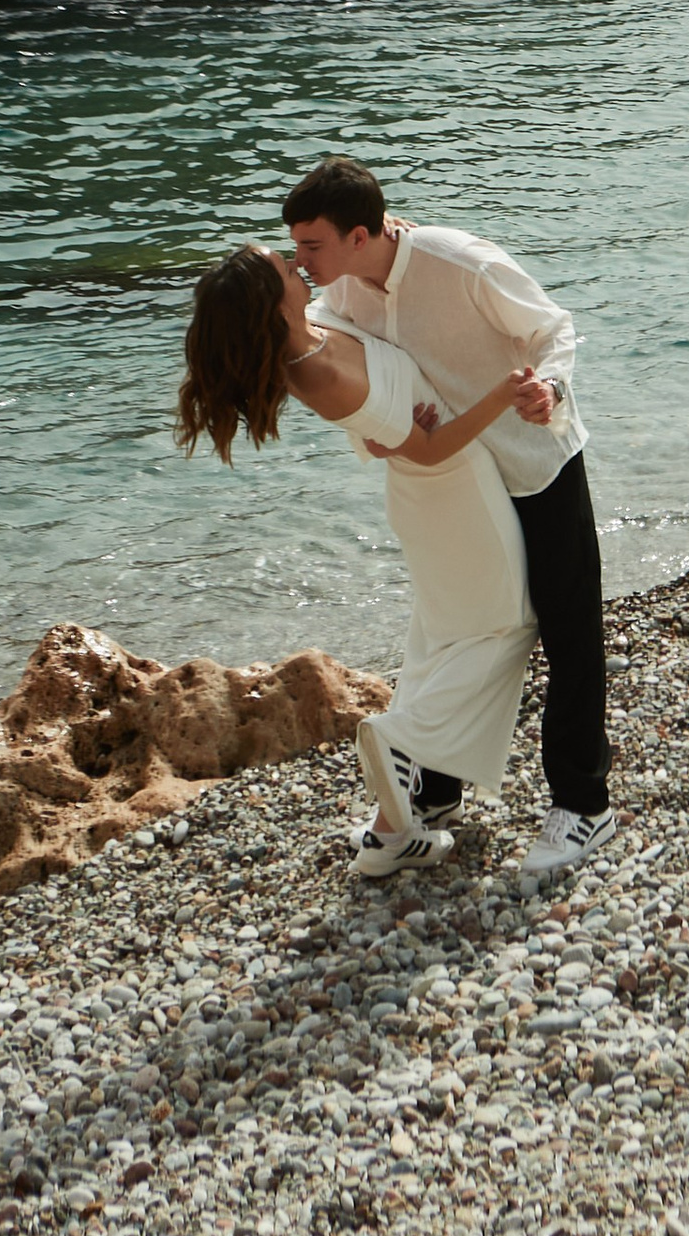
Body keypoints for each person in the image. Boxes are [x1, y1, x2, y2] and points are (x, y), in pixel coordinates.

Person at [283, 156, 612, 884]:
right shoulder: (339, 288)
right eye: (297, 248)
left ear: (362, 235)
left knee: (568, 633)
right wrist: (370, 427)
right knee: (457, 623)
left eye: (311, 246)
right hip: (459, 479)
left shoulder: (459, 263)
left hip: (535, 461)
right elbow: (355, 364)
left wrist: (549, 388)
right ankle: (433, 798)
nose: (299, 262)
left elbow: (553, 328)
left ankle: (584, 804)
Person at [175, 243, 547, 881]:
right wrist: (500, 397)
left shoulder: (314, 330)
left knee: (441, 635)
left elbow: (379, 413)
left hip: (425, 496)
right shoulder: (311, 367)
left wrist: (379, 433)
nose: (297, 263)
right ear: (269, 301)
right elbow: (427, 448)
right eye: (282, 267)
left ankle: (391, 828)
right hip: (455, 488)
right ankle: (401, 739)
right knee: (507, 626)